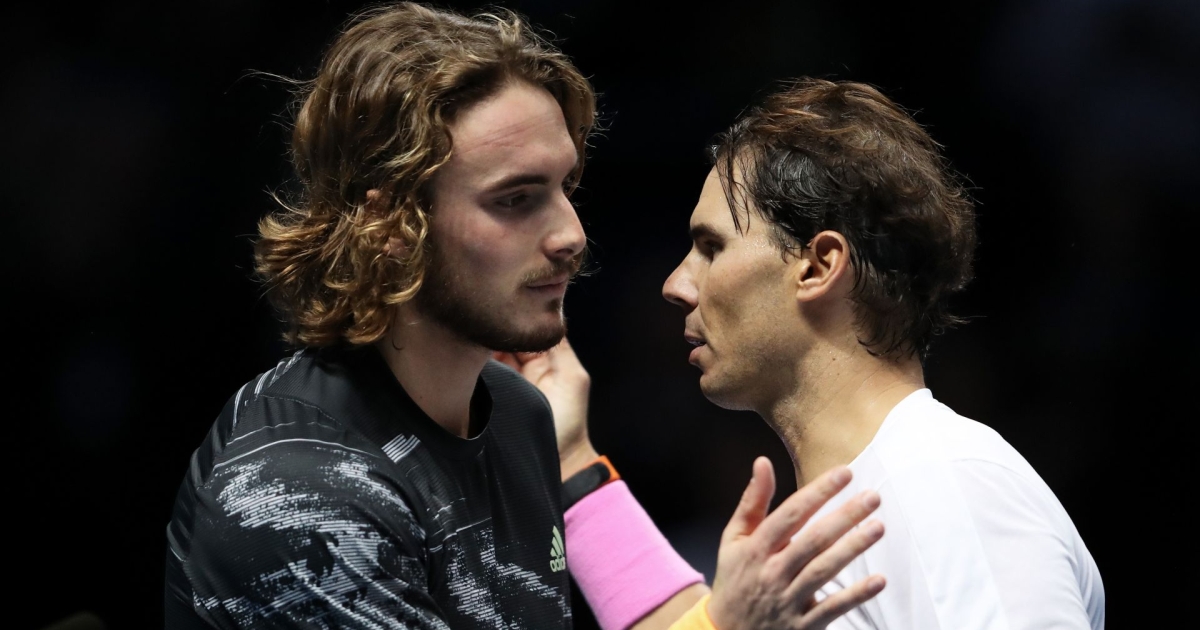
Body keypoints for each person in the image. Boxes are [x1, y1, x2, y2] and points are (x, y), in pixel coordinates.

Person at [163, 4, 887, 628]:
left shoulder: (519, 415)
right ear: (390, 227)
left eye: (566, 185)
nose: (571, 234)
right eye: (515, 199)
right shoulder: (296, 494)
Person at [651, 78, 1106, 628]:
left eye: (712, 247)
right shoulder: (861, 512)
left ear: (818, 266)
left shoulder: (939, 485)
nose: (676, 285)